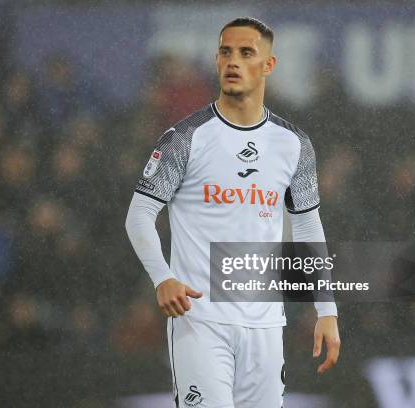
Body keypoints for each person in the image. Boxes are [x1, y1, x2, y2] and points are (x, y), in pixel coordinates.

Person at [125, 17, 341, 407]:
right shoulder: (186, 138)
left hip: (266, 325)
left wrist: (326, 310)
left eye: (246, 53)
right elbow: (139, 213)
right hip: (199, 321)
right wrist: (162, 278)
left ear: (269, 65)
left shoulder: (293, 144)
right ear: (216, 60)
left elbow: (308, 223)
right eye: (226, 52)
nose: (233, 62)